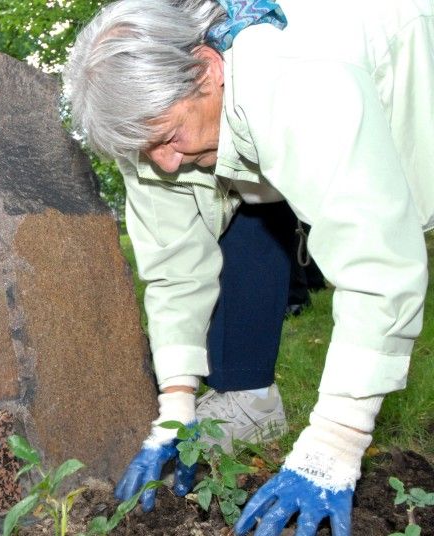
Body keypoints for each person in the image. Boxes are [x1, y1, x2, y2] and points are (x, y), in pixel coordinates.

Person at [64, 1, 433, 534]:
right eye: (147, 149)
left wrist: (334, 442)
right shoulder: (153, 133)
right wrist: (176, 407)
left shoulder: (298, 83)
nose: (165, 163)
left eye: (169, 137)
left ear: (208, 70)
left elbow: (376, 263)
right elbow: (174, 266)